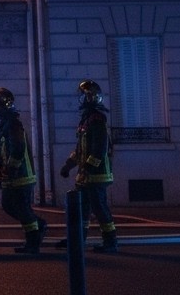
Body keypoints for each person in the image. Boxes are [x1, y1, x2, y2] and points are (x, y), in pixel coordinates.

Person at [56, 79, 117, 252]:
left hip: (97, 176)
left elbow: (99, 149)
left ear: (92, 98)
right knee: (82, 210)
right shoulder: (86, 121)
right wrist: (68, 166)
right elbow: (80, 150)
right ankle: (78, 240)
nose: (81, 100)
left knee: (100, 209)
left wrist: (88, 168)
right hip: (86, 176)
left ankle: (110, 242)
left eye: (84, 96)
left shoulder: (97, 121)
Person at [0, 86, 46, 253]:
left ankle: (33, 242)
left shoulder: (13, 124)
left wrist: (10, 169)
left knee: (22, 208)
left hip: (21, 177)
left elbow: (18, 149)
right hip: (11, 176)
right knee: (8, 205)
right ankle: (38, 226)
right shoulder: (6, 125)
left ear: (3, 106)